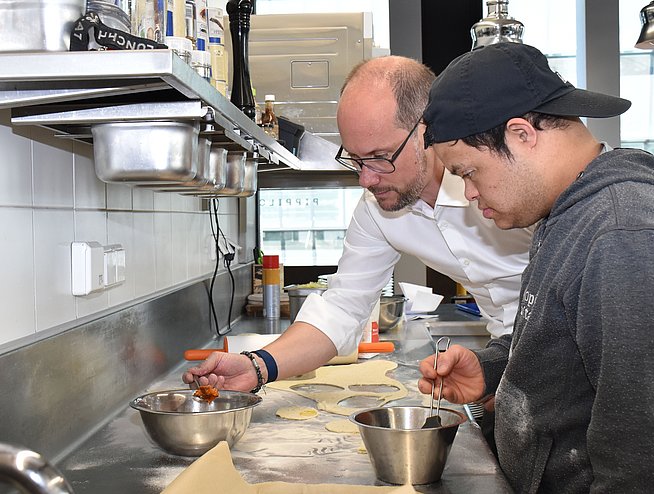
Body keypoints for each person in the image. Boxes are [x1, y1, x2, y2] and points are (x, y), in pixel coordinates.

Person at [418, 42, 654, 492]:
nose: (469, 193)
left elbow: (651, 465)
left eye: (468, 172)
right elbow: (568, 336)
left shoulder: (625, 235)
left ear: (521, 134)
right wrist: (491, 367)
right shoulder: (571, 214)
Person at [182, 56, 532, 397]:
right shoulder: (378, 209)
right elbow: (343, 308)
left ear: (428, 130)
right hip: (507, 356)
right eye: (355, 158)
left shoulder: (507, 182)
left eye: (380, 158)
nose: (366, 179)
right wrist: (257, 366)